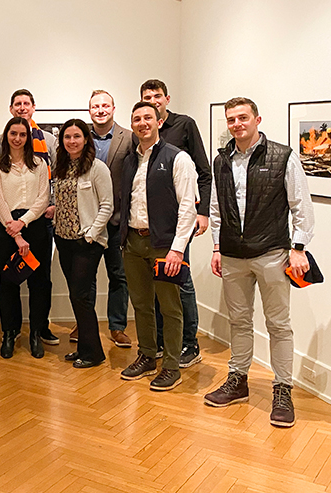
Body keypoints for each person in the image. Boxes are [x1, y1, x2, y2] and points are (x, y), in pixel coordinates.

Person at [204, 97, 314, 428]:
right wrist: (215, 247)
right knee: (238, 321)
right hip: (233, 255)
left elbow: (301, 205)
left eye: (243, 118)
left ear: (257, 119)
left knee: (279, 325)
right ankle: (238, 380)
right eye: (231, 119)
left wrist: (299, 247)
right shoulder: (221, 160)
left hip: (272, 253)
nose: (237, 124)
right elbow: (216, 208)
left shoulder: (283, 157)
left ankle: (282, 389)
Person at [119, 102, 197, 391]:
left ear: (159, 122)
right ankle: (148, 355)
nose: (142, 123)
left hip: (165, 246)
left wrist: (177, 249)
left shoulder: (178, 159)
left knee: (170, 307)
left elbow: (188, 208)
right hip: (134, 243)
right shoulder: (129, 161)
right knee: (140, 304)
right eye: (137, 119)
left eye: (147, 118)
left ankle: (172, 366)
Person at [141, 79, 210, 367]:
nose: (153, 100)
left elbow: (204, 172)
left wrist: (202, 212)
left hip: (180, 221)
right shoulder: (143, 130)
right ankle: (160, 340)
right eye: (147, 97)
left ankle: (189, 344)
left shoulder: (185, 125)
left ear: (167, 99)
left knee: (180, 281)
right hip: (153, 225)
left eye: (157, 96)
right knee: (158, 283)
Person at [0, 89, 60, 348]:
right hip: (8, 229)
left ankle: (36, 333)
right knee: (9, 282)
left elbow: (43, 198)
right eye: (13, 134)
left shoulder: (40, 164)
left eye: (22, 134)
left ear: (28, 137)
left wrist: (25, 223)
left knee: (40, 282)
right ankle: (10, 333)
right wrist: (16, 232)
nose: (17, 138)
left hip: (36, 225)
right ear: (6, 136)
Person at [52, 119, 114, 368]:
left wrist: (91, 234)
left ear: (86, 139)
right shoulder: (61, 167)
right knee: (77, 296)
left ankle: (93, 353)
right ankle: (85, 348)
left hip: (86, 242)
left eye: (77, 136)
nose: (72, 141)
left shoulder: (97, 168)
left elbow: (107, 205)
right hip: (64, 240)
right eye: (67, 137)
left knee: (82, 296)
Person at [87, 90, 133, 348]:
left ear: (114, 108)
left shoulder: (129, 137)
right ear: (89, 110)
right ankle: (85, 322)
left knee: (119, 276)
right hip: (87, 221)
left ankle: (117, 326)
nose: (101, 110)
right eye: (96, 106)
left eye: (105, 105)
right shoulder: (79, 137)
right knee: (86, 276)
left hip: (117, 221)